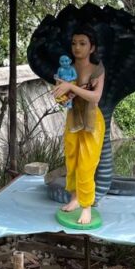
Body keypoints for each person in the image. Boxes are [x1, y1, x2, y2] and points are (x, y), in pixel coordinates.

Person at [52, 27, 105, 226]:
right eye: (74, 43)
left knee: (86, 164)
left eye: (82, 43)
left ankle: (86, 206)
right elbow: (61, 97)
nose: (77, 47)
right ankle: (74, 198)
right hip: (73, 118)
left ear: (92, 47)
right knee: (72, 160)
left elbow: (96, 96)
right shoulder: (67, 69)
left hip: (92, 120)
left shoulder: (97, 69)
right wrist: (60, 92)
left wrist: (71, 87)